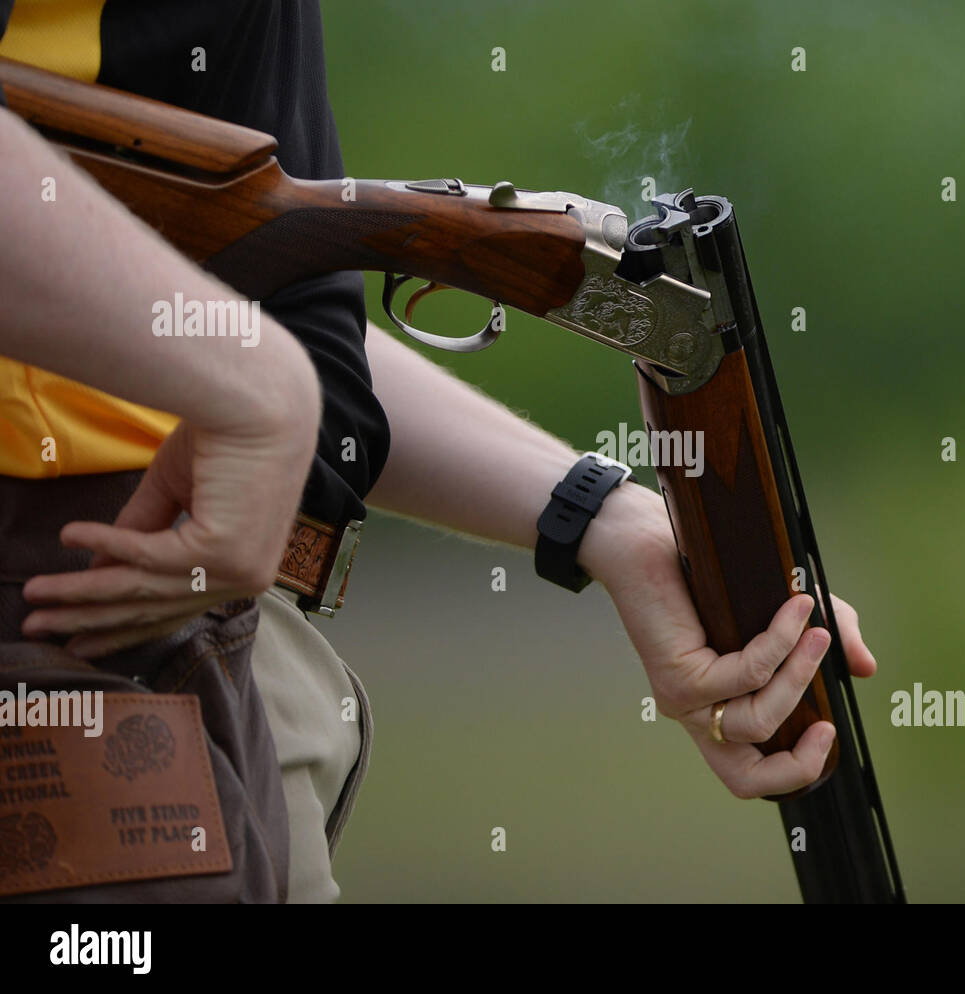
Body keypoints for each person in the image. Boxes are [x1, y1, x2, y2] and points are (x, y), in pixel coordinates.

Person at [0, 0, 879, 901]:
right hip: (61, 601)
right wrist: (258, 382)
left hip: (228, 626)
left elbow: (247, 323)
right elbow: (241, 357)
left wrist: (601, 515)